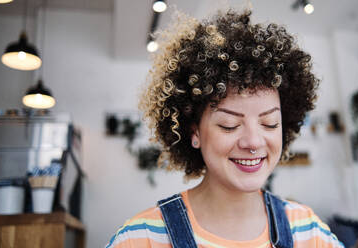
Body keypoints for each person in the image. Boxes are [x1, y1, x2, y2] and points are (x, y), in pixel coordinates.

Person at [105, 9, 344, 248]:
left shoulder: (310, 233)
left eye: (269, 123)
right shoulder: (141, 238)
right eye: (229, 125)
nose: (253, 142)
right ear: (194, 132)